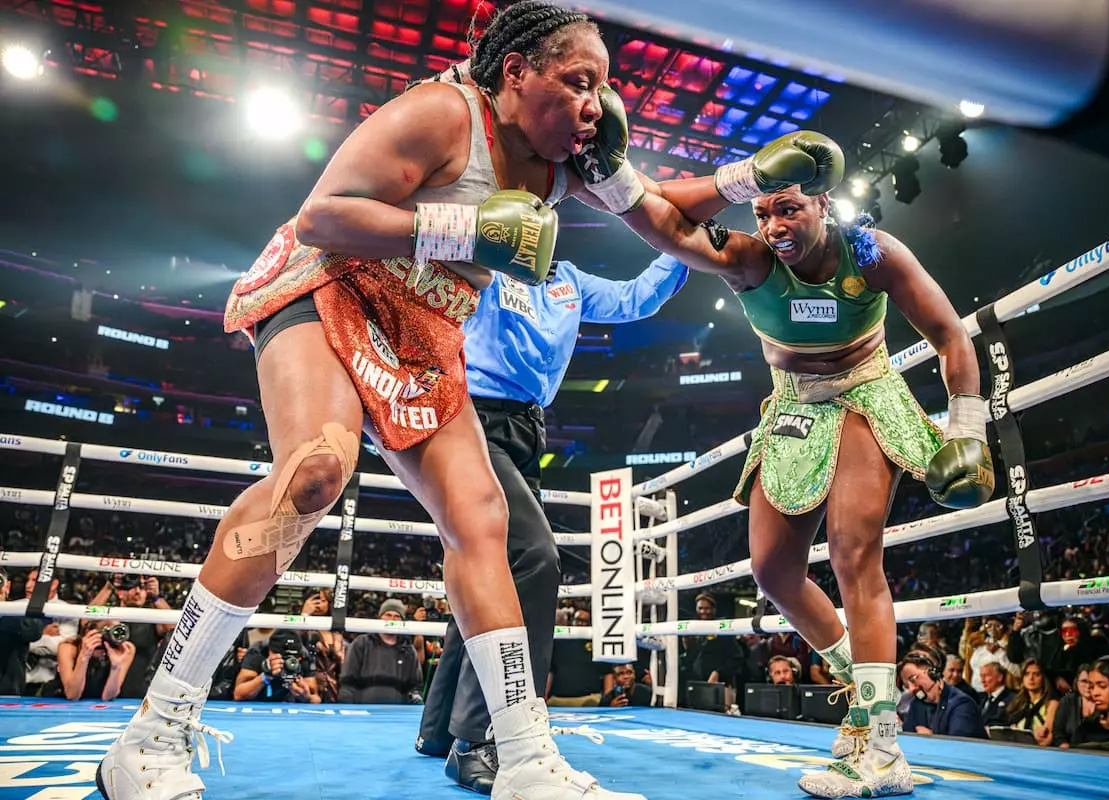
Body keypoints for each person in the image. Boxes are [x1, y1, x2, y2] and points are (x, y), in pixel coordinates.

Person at [95, 3, 833, 798]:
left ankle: (522, 760)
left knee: (484, 522)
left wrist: (750, 179)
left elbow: (660, 217)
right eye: (578, 82)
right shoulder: (444, 113)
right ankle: (152, 732)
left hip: (427, 327)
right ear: (516, 72)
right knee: (316, 470)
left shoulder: (577, 158)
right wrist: (471, 232)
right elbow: (324, 215)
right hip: (333, 285)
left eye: (603, 87)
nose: (595, 104)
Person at [619, 171, 993, 797]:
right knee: (772, 572)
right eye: (763, 212)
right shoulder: (750, 259)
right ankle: (862, 685)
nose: (774, 227)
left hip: (864, 395)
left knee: (853, 553)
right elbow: (658, 219)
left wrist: (968, 432)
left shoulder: (872, 251)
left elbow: (950, 334)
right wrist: (736, 180)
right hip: (792, 405)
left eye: (788, 209)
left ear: (824, 202)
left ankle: (881, 744)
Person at [417, 246, 688, 795]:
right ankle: (481, 738)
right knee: (533, 559)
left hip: (525, 430)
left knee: (488, 566)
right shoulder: (485, 258)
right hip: (466, 416)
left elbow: (637, 296)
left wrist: (681, 247)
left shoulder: (570, 279)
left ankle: (439, 728)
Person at [339, 599, 423, 704]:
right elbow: (348, 680)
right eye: (388, 615)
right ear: (380, 618)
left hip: (396, 712)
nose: (392, 619)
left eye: (397, 616)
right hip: (363, 710)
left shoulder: (408, 650)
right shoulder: (361, 643)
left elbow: (415, 685)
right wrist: (347, 706)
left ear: (402, 621)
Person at [897, 649, 985, 739]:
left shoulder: (962, 704)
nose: (911, 689)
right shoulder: (917, 704)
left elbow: (959, 748)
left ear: (931, 673)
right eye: (907, 686)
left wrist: (932, 739)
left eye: (913, 679)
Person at [1006, 659, 1058, 746]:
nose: (1031, 678)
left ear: (1043, 678)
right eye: (1027, 674)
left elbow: (1047, 738)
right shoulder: (1018, 703)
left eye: (1036, 674)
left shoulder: (1052, 704)